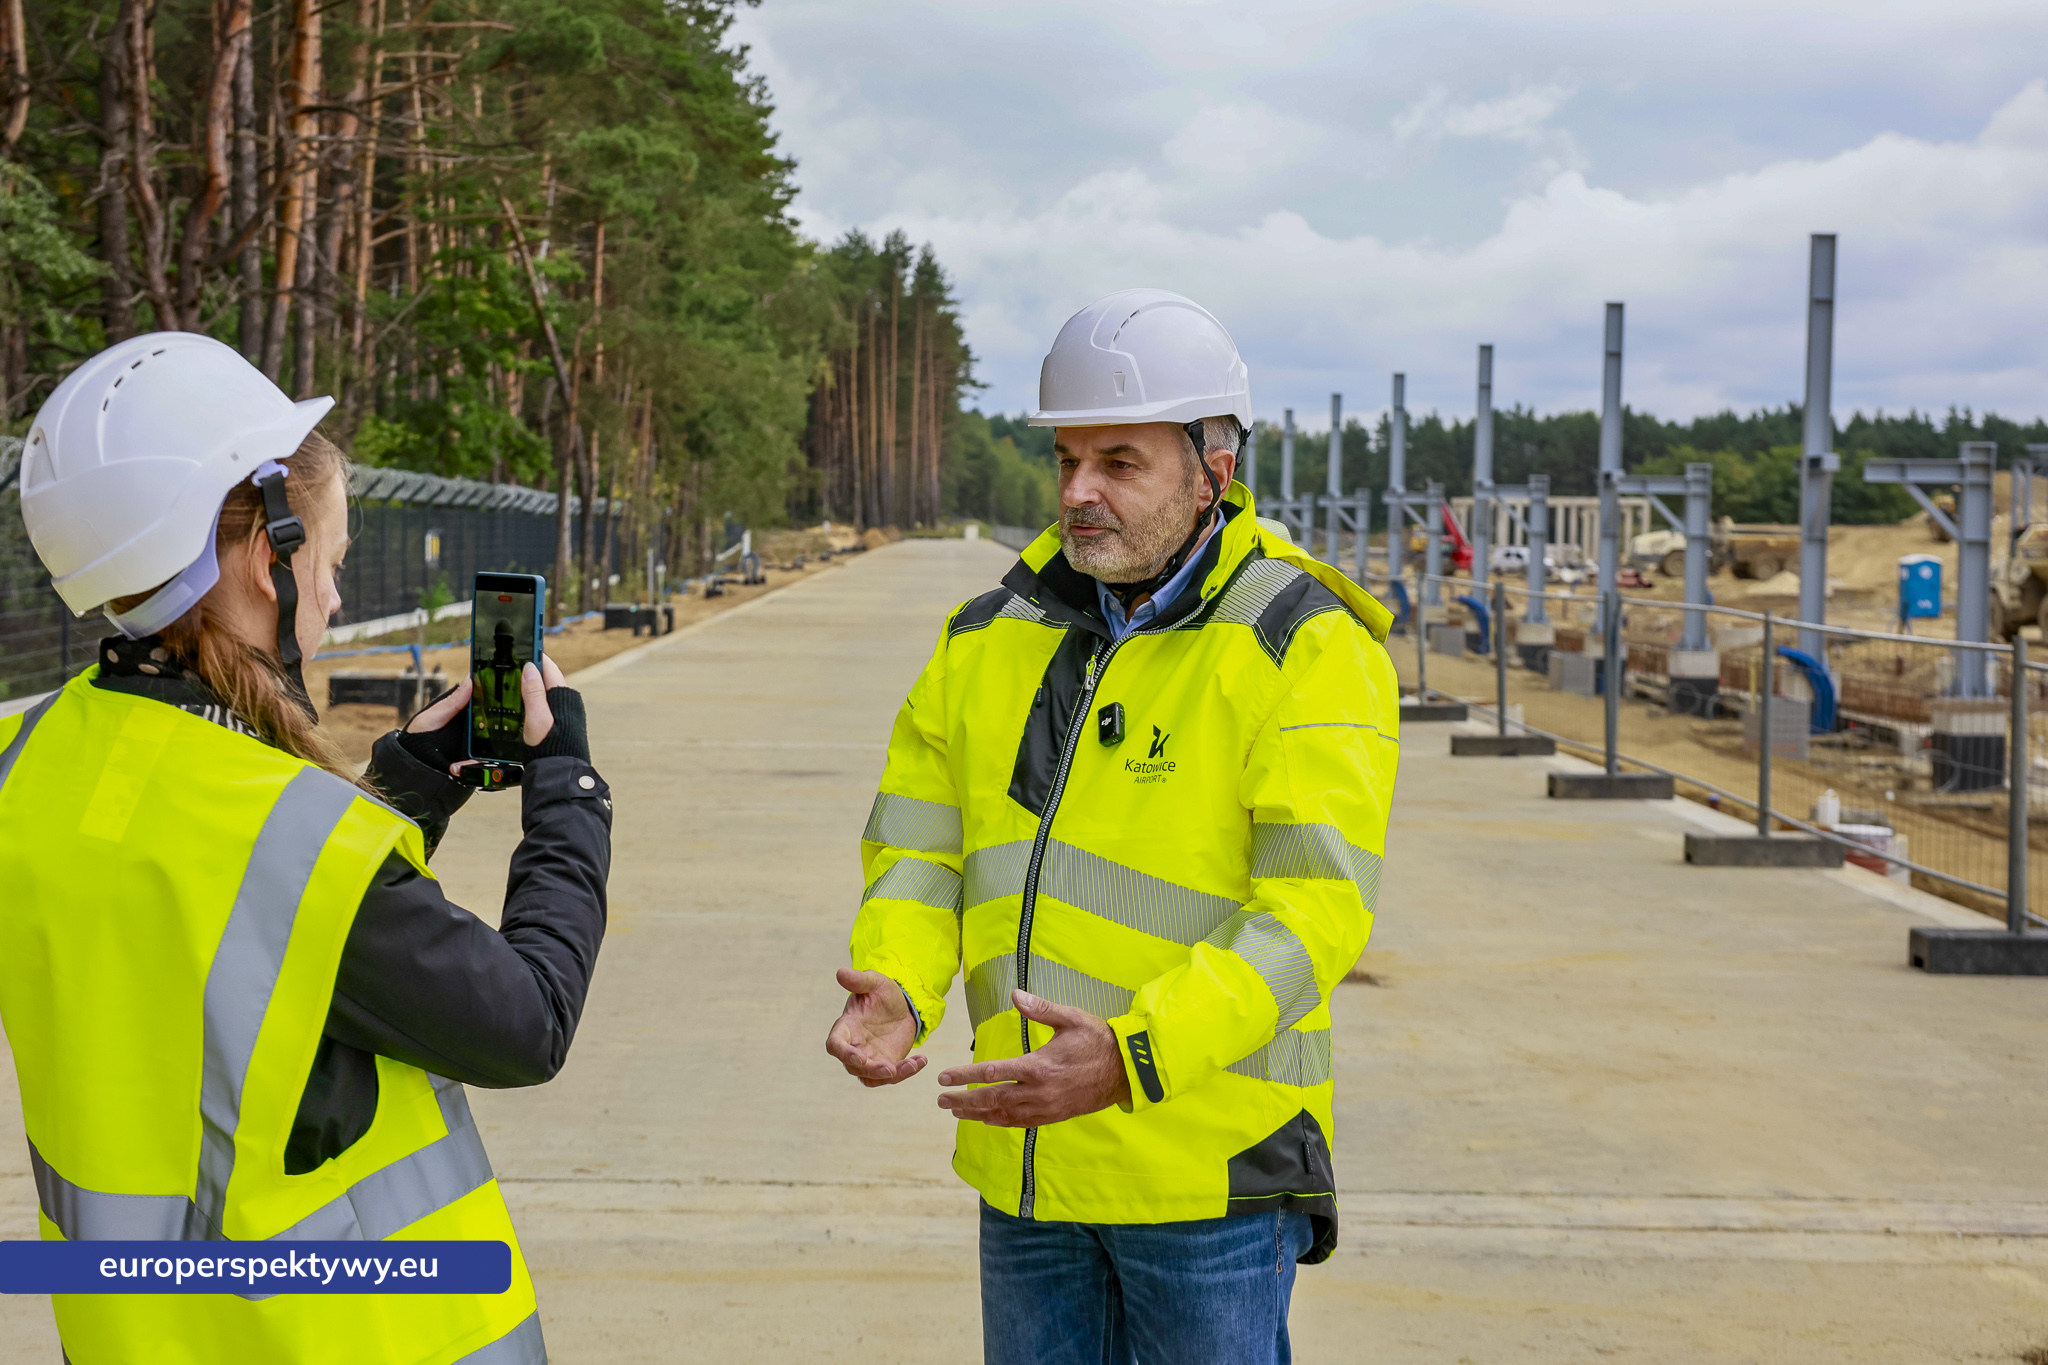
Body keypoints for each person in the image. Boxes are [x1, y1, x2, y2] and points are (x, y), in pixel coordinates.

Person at [0, 332, 611, 1364]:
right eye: (325, 564)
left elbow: (226, 957)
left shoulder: (29, 764)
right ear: (261, 554)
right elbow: (527, 1023)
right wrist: (572, 795)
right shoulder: (291, 840)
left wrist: (401, 792)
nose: (331, 599)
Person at [826, 288, 1399, 1364]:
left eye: (1120, 464)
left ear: (1210, 470)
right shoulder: (987, 635)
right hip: (1029, 1163)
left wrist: (1133, 1058)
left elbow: (1310, 914)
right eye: (1066, 461)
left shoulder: (1298, 643)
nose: (1078, 493)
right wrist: (896, 980)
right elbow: (920, 843)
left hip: (1205, 1179)